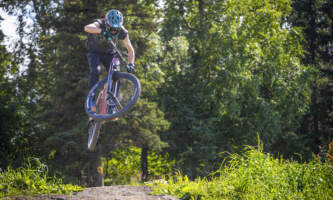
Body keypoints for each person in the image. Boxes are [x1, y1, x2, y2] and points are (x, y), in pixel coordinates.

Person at [84, 9, 135, 121]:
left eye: (116, 28)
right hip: (94, 52)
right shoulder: (100, 23)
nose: (113, 30)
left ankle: (111, 105)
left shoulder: (122, 32)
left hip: (109, 54)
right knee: (95, 71)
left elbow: (130, 49)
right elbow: (87, 28)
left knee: (116, 75)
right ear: (106, 23)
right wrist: (101, 31)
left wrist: (131, 63)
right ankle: (91, 100)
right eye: (111, 28)